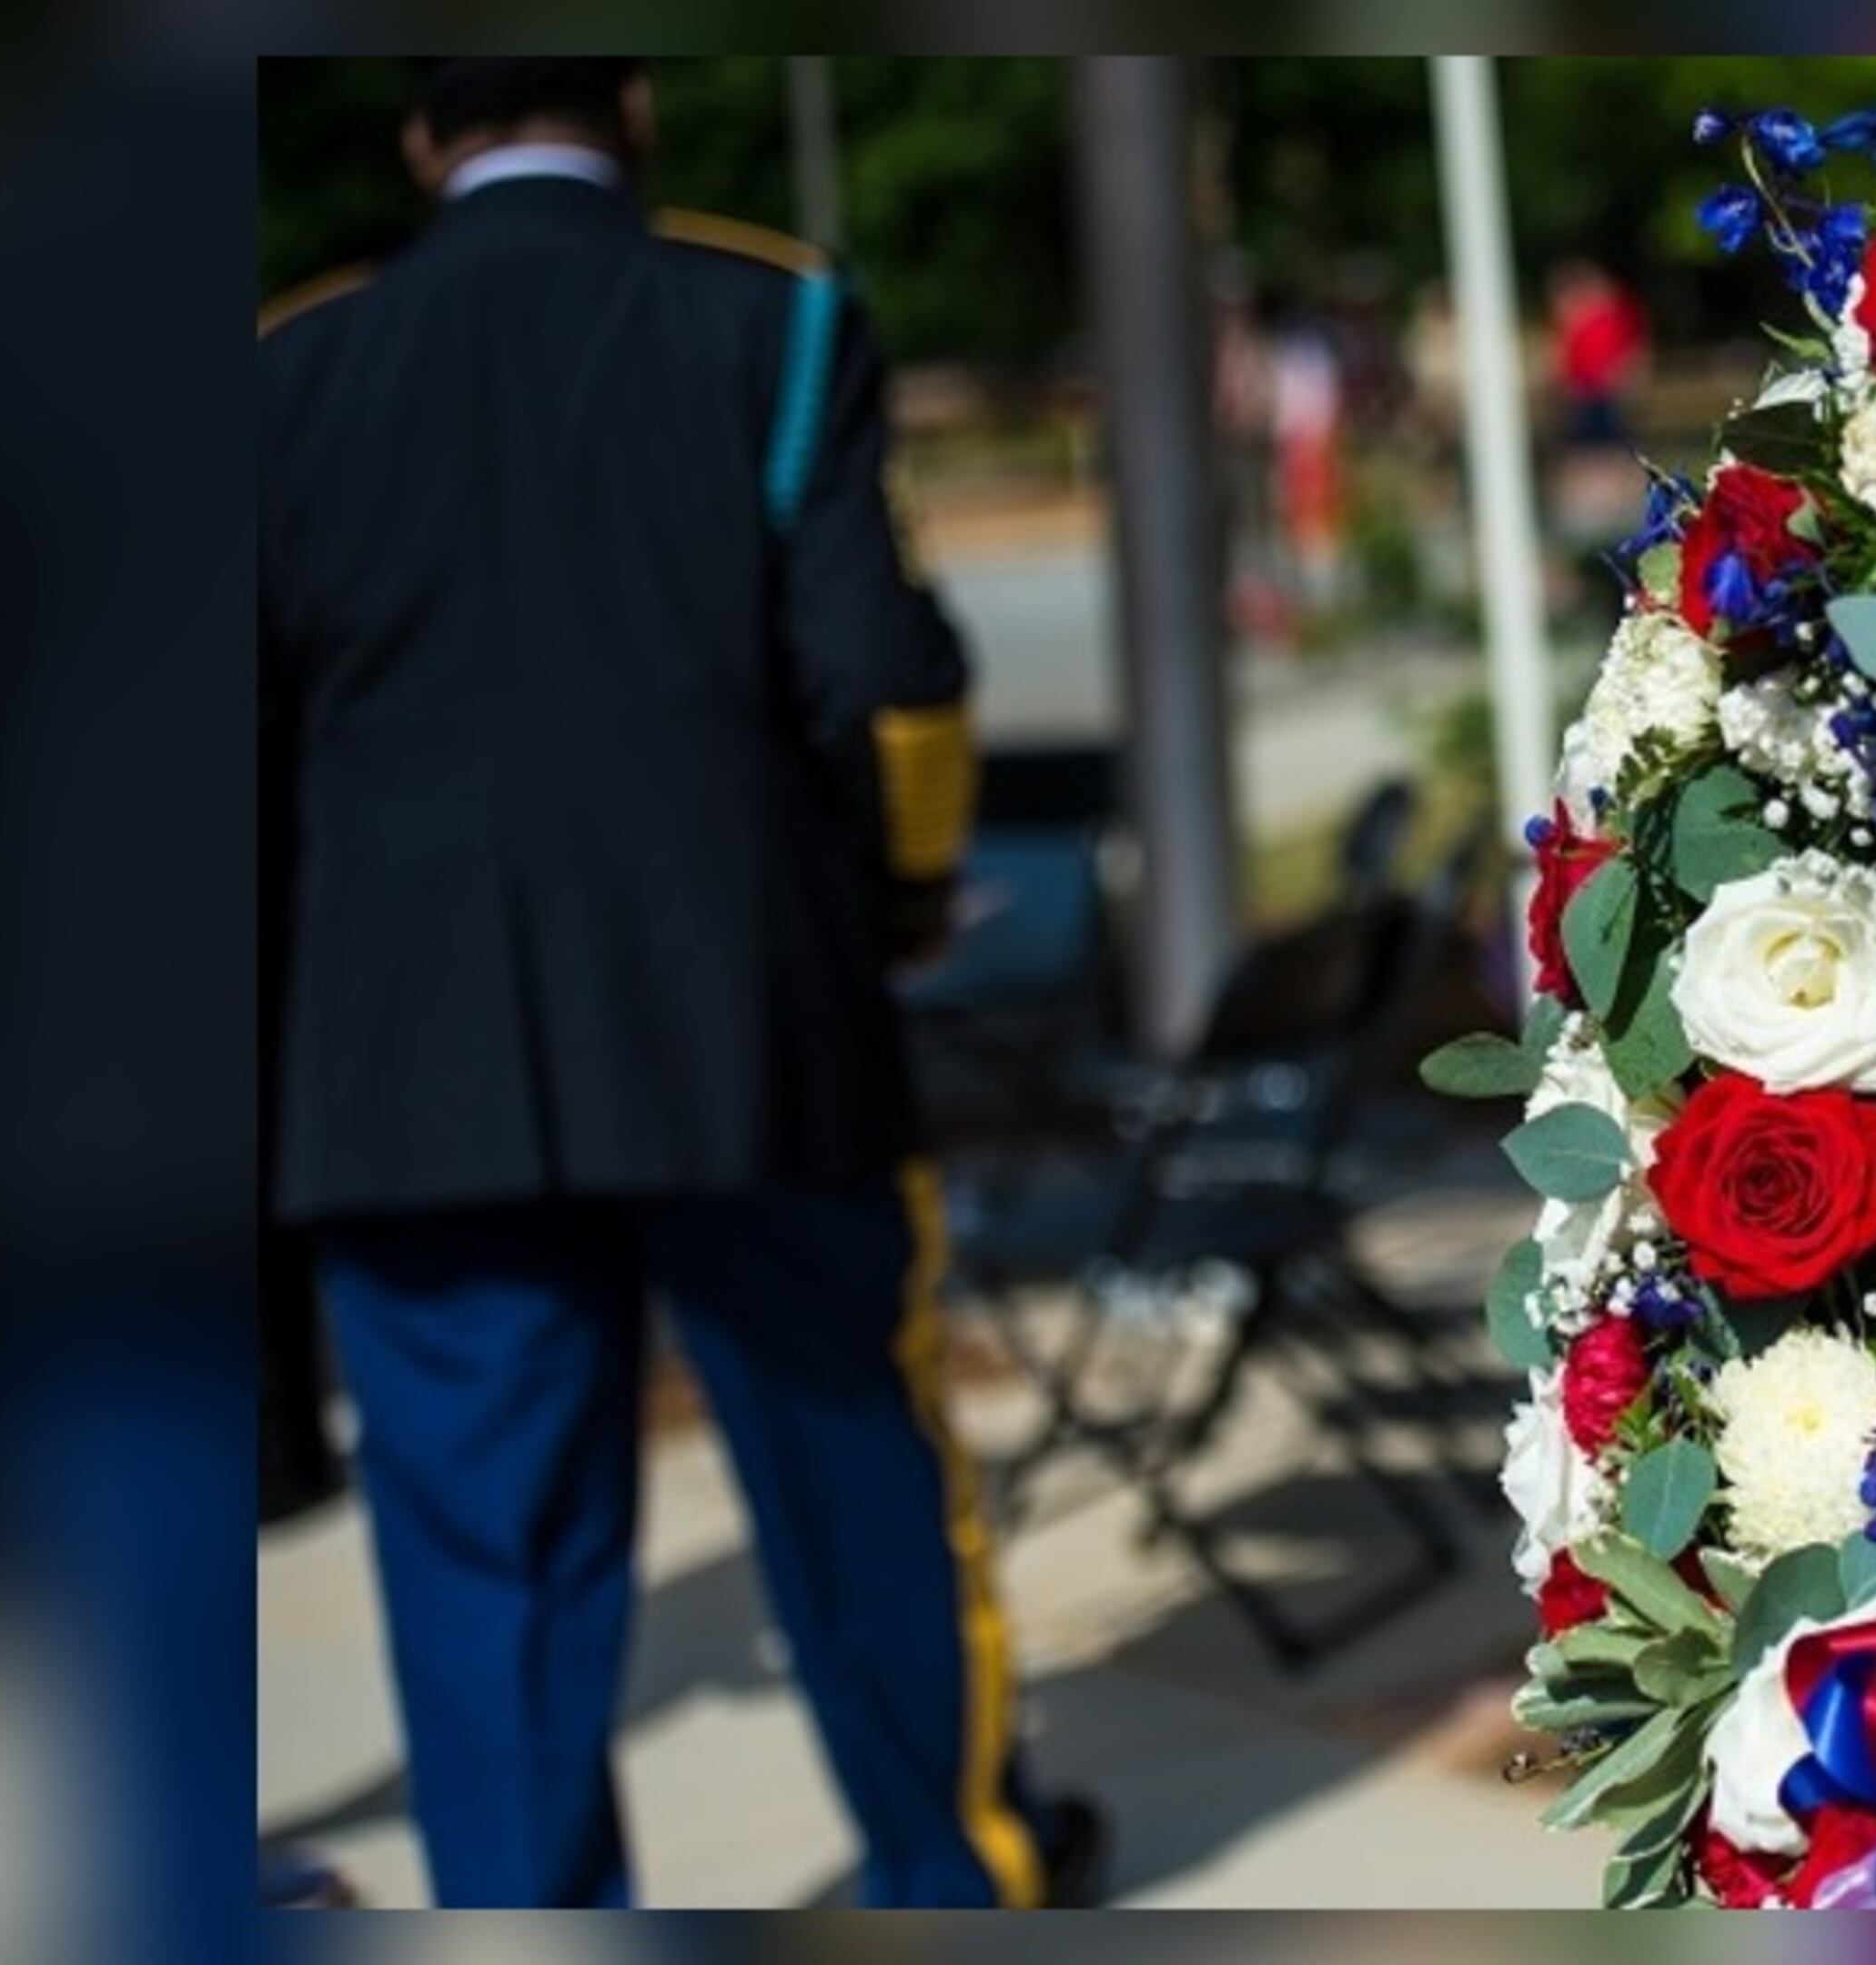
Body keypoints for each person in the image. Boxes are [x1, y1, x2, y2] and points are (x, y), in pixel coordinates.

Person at [258, 58, 1097, 1909]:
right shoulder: (773, 319)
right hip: (751, 1028)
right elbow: (887, 678)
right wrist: (899, 898)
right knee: (854, 1490)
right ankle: (948, 1883)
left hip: (406, 1065)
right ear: (634, 105)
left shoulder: (284, 368)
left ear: (420, 136)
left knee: (487, 1578)